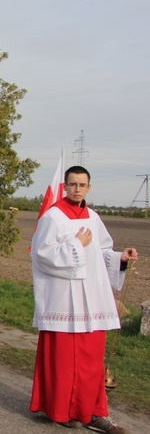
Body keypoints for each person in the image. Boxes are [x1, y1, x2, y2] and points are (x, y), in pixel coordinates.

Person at [30, 166, 137, 432]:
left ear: (89, 187)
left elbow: (102, 252)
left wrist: (120, 258)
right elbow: (41, 254)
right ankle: (61, 409)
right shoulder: (53, 217)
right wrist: (76, 245)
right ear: (65, 186)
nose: (77, 189)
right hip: (64, 299)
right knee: (63, 359)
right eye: (73, 184)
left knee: (91, 358)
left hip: (92, 298)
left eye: (82, 185)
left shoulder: (93, 217)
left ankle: (94, 412)